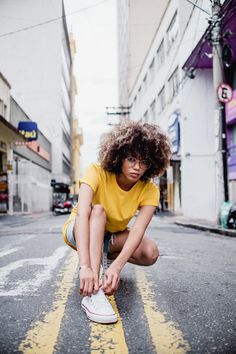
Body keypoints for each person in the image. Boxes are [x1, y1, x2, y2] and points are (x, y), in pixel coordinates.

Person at [62, 121, 171, 324]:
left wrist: (116, 267)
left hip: (109, 236)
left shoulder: (150, 190)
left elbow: (138, 230)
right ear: (119, 156)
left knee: (151, 252)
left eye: (144, 161)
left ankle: (107, 258)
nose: (137, 167)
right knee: (98, 210)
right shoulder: (96, 171)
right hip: (80, 230)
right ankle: (92, 294)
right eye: (131, 159)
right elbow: (82, 215)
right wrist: (84, 266)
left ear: (152, 163)